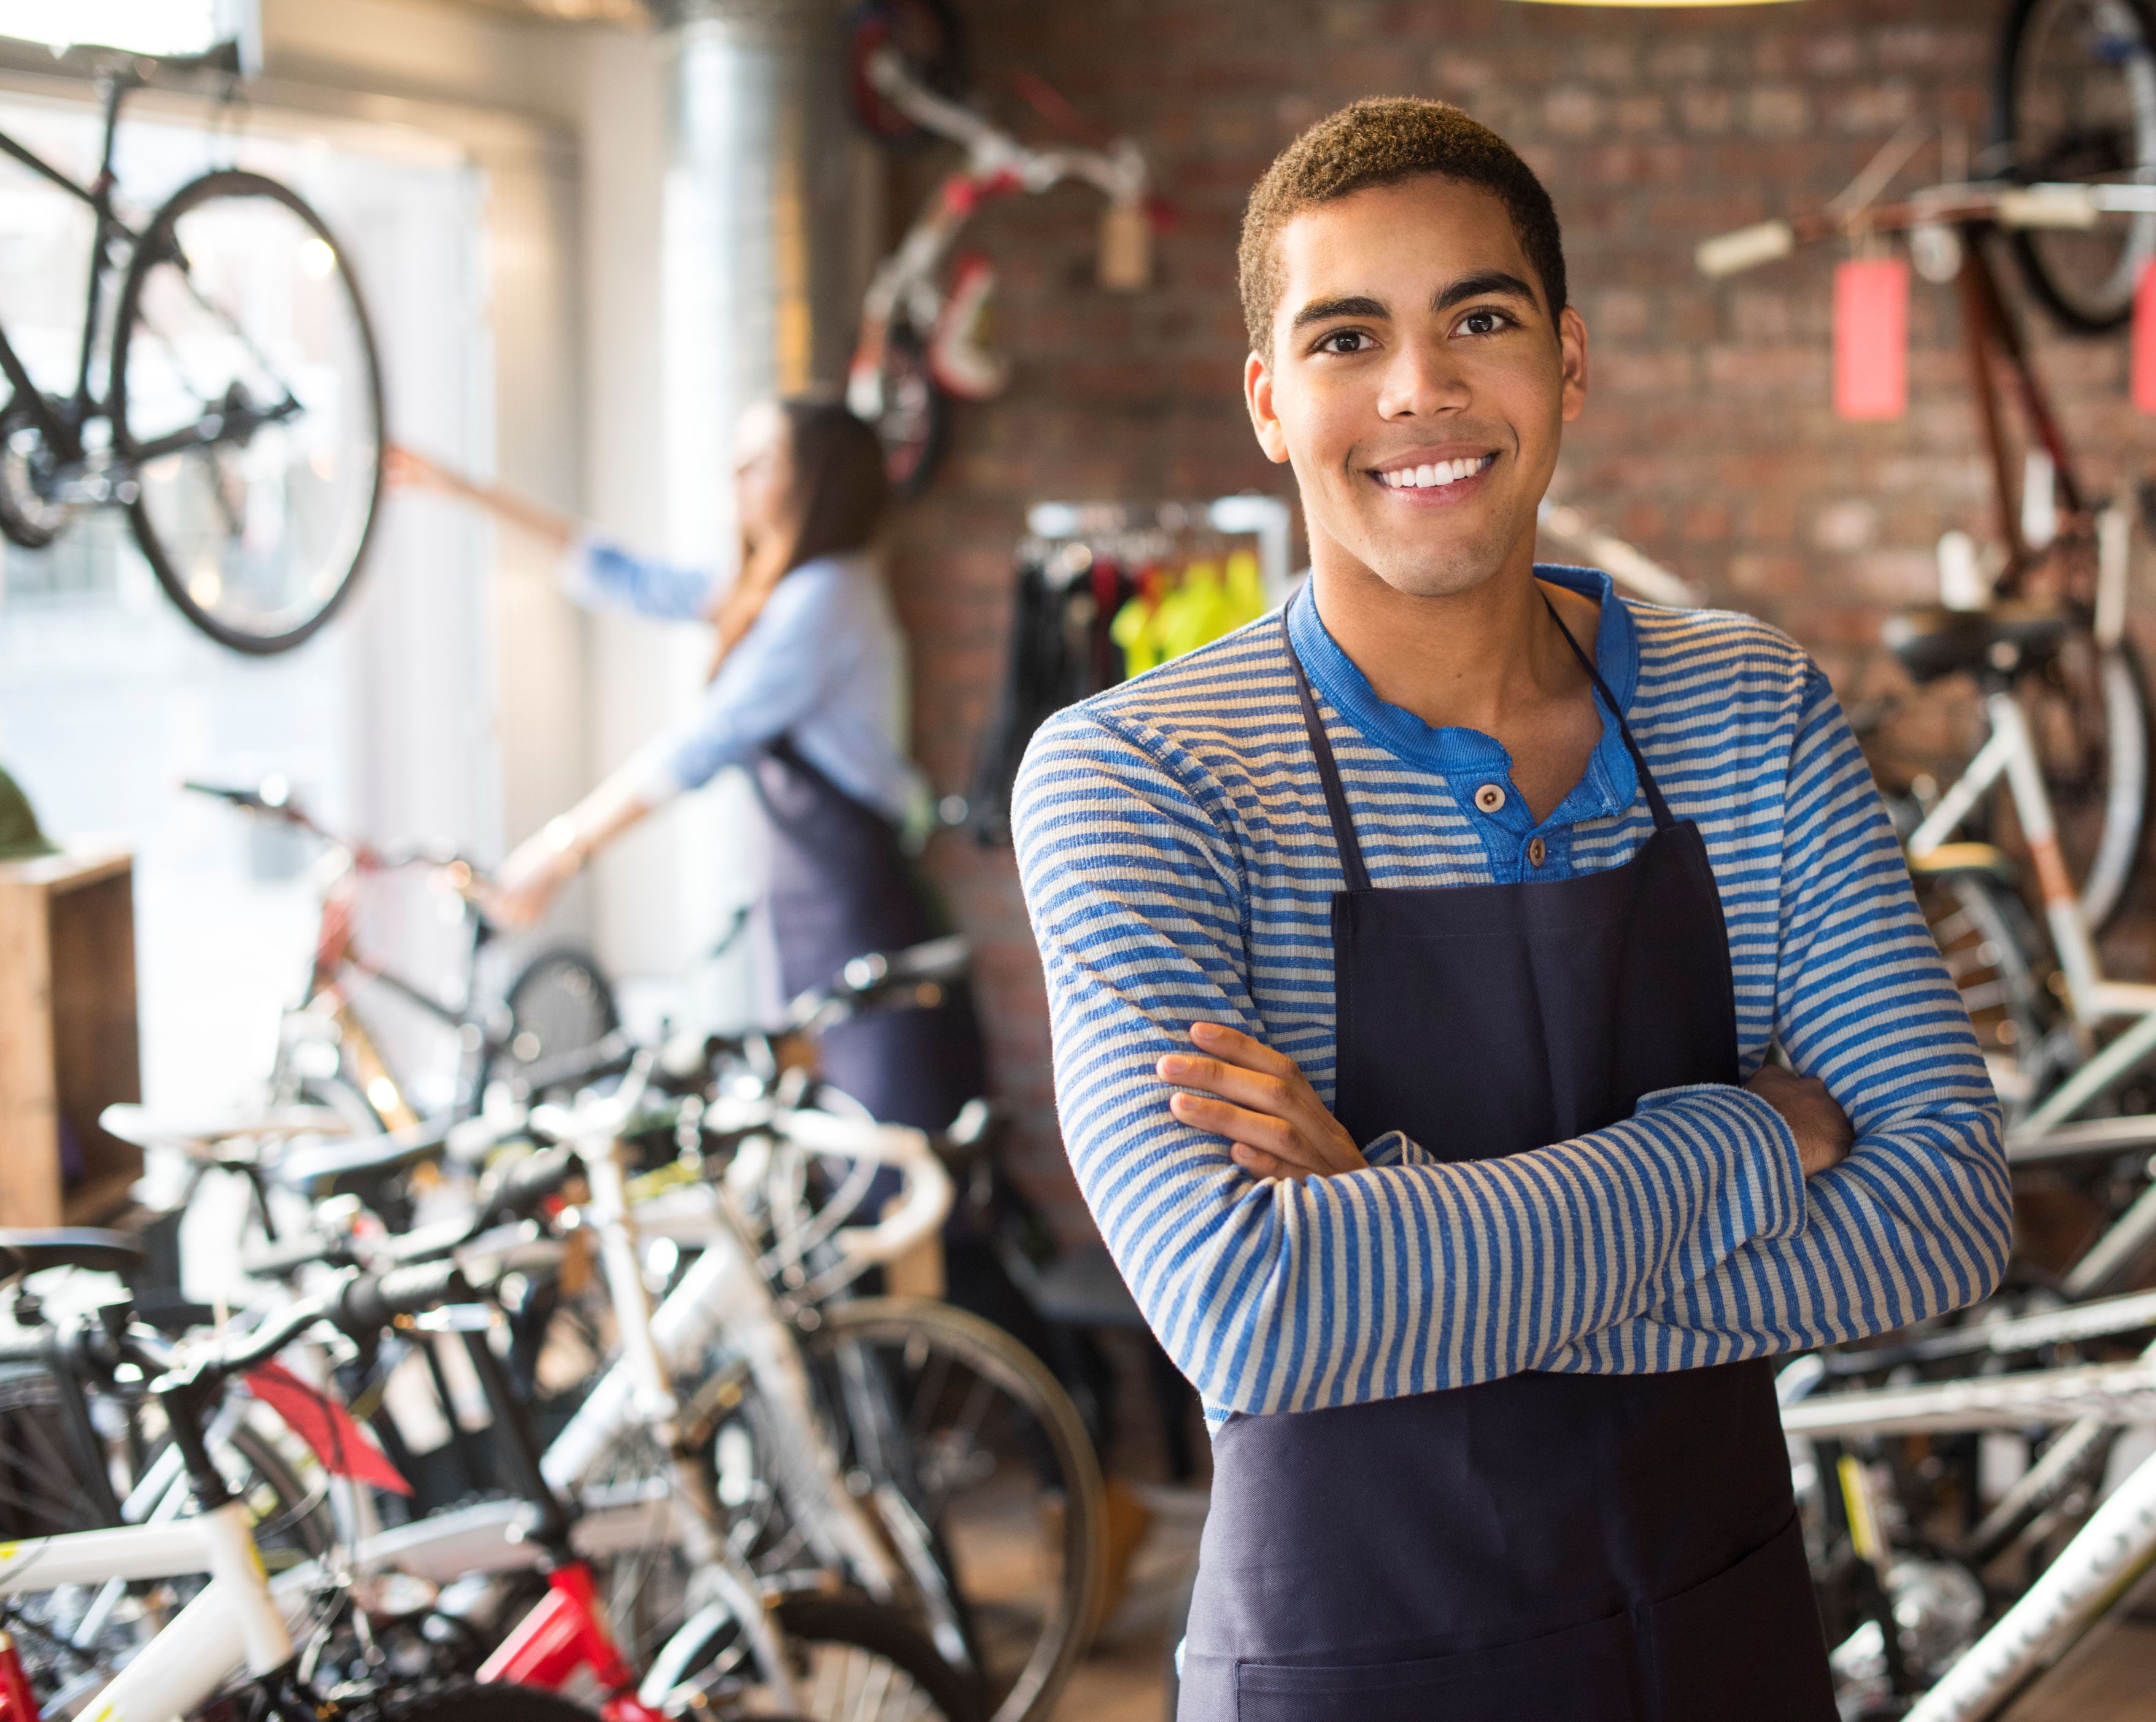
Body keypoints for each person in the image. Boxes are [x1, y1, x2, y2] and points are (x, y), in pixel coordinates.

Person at [1011, 99, 2011, 1716]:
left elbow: (1941, 1212)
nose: (1419, 389)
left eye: (1477, 316)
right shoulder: (1141, 775)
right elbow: (1255, 1311)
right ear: (1270, 403)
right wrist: (1744, 1141)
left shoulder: (1746, 711)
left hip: (1723, 1642)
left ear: (1566, 361)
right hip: (1348, 1664)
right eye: (1348, 336)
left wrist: (1400, 1245)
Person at [388, 395, 984, 1133]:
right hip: (810, 897)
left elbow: (706, 739)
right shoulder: (772, 589)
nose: (735, 475)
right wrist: (465, 491)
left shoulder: (824, 597)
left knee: (886, 1139)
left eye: (760, 461)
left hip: (855, 900)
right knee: (834, 1131)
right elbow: (629, 579)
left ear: (818, 481)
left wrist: (560, 850)